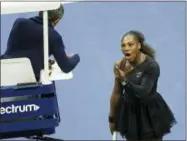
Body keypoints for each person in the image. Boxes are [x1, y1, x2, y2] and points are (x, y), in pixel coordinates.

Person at [109, 30, 176, 141]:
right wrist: (112, 119)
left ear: (139, 45)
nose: (126, 48)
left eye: (130, 44)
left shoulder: (152, 66)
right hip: (130, 114)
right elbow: (116, 93)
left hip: (150, 115)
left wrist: (124, 81)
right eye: (123, 45)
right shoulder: (120, 65)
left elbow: (144, 93)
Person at [1, 4, 80, 81]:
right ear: (57, 21)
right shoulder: (54, 37)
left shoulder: (19, 22)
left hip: (3, 72)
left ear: (40, 10)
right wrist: (76, 57)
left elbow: (21, 52)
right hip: (27, 80)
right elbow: (66, 67)